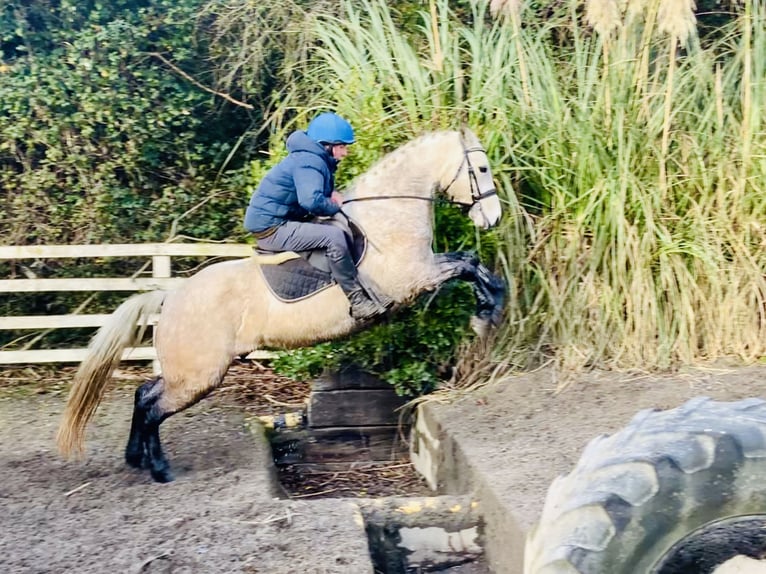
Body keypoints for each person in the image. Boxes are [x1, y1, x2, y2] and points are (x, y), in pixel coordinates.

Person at [244, 112, 384, 320]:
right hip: (272, 229)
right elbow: (310, 201)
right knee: (333, 236)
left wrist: (330, 196)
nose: (345, 153)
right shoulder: (310, 160)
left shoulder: (312, 158)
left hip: (283, 220)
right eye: (342, 146)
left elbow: (312, 192)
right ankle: (357, 301)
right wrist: (333, 205)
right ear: (327, 145)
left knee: (339, 225)